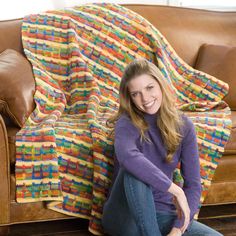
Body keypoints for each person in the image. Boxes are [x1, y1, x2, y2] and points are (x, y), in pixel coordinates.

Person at [102, 58, 222, 236]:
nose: (145, 98)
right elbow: (128, 157)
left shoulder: (184, 125)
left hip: (163, 214)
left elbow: (194, 185)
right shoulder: (126, 123)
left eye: (149, 88)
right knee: (135, 169)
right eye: (136, 93)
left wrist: (178, 229)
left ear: (160, 85)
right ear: (130, 98)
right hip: (125, 216)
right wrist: (175, 190)